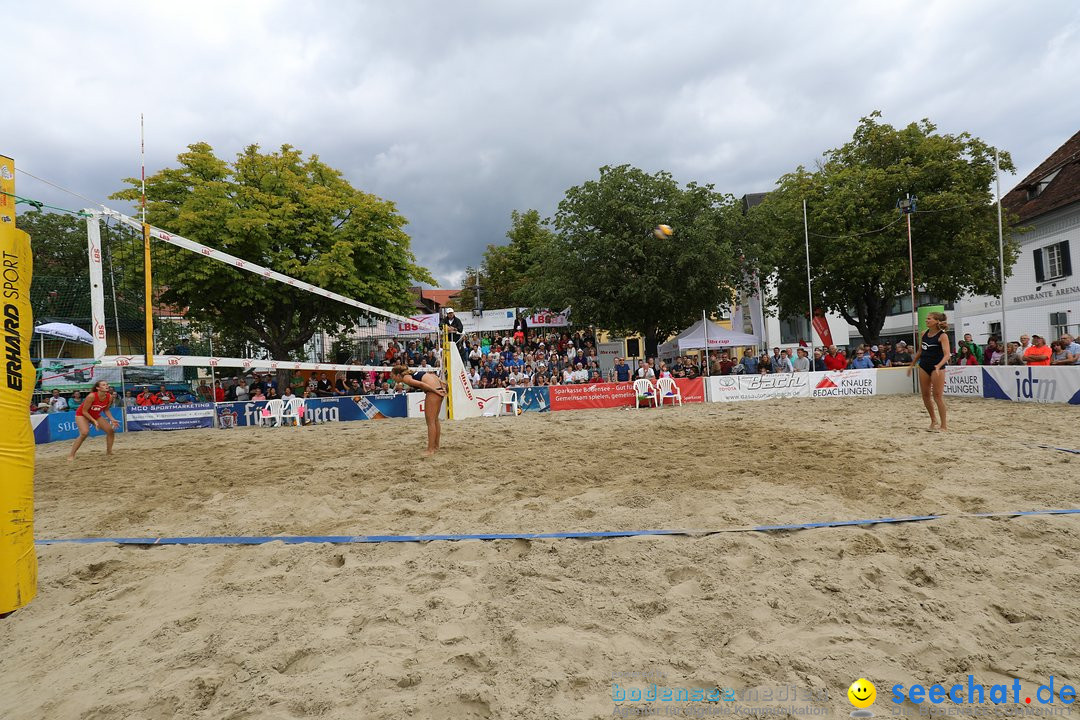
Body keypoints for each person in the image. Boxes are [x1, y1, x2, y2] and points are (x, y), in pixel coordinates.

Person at [907, 311, 951, 431]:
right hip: (924, 366)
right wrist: (911, 365)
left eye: (929, 319)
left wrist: (939, 365)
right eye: (926, 318)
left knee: (937, 396)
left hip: (937, 367)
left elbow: (947, 355)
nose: (926, 320)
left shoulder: (943, 336)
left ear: (937, 321)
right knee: (925, 396)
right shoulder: (924, 333)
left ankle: (944, 425)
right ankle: (933, 420)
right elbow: (920, 352)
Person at [390, 364, 447, 456]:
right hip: (438, 389)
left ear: (398, 375)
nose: (393, 379)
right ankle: (436, 446)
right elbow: (433, 376)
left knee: (430, 422)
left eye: (393, 376)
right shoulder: (414, 374)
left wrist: (436, 391)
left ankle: (430, 450)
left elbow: (421, 384)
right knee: (435, 420)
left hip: (434, 392)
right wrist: (442, 388)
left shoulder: (406, 378)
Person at [69, 380, 119, 460]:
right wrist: (94, 421)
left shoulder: (109, 397)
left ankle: (109, 452)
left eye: (107, 384)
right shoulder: (91, 396)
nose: (107, 386)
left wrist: (112, 419)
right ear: (98, 388)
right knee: (84, 433)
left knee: (110, 430)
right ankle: (71, 455)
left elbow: (106, 410)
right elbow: (84, 411)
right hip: (82, 415)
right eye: (103, 385)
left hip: (95, 415)